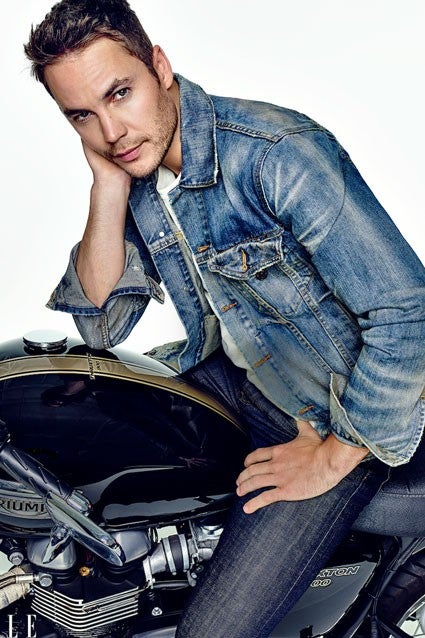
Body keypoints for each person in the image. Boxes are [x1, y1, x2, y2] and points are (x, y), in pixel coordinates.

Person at [24, 1, 425, 636]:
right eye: (82, 115)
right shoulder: (139, 163)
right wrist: (107, 186)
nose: (111, 130)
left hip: (332, 412)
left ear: (160, 66)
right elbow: (101, 327)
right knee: (66, 436)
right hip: (242, 375)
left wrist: (330, 457)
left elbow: (407, 315)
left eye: (120, 94)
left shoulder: (276, 156)